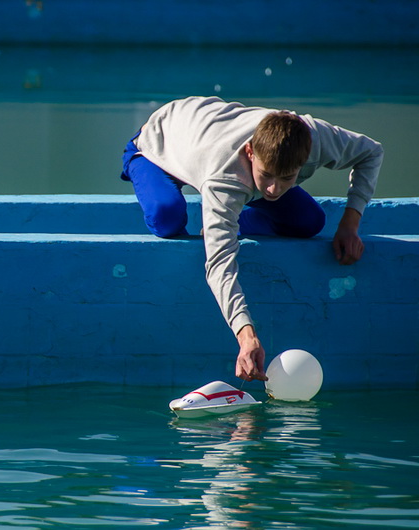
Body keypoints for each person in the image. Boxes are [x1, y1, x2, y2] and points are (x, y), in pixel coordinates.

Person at [120, 96, 383, 382]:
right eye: (267, 175)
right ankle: (207, 213)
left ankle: (224, 224)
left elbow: (371, 152)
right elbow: (219, 265)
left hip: (209, 130)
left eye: (287, 177)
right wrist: (246, 335)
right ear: (250, 152)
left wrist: (351, 221)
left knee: (310, 221)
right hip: (161, 138)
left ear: (305, 160)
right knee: (166, 217)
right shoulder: (224, 178)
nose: (273, 188)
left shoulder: (315, 137)